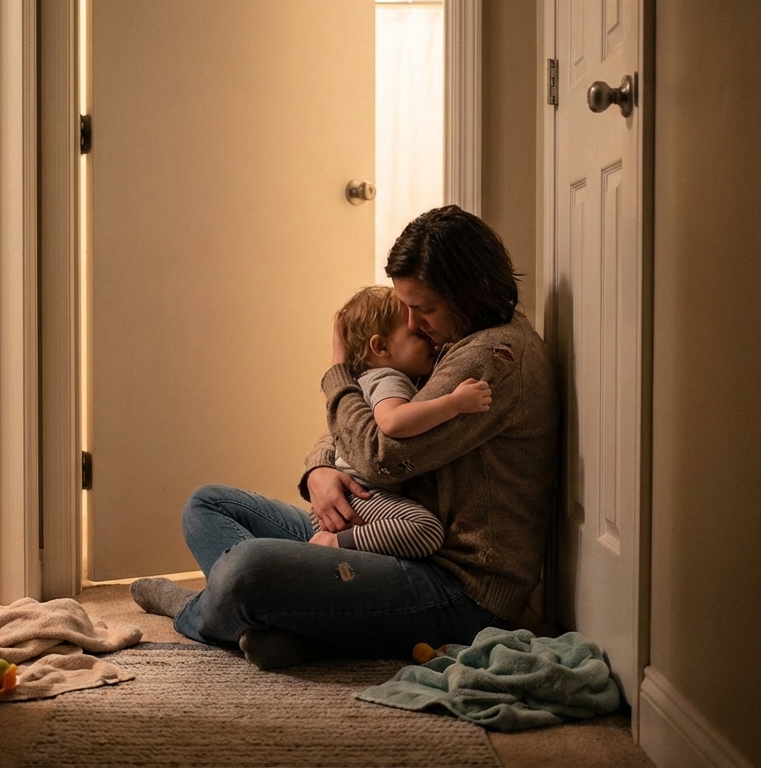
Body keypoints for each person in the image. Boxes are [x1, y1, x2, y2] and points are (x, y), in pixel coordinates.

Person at [131, 205, 558, 670]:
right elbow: (365, 425)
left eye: (424, 309)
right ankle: (288, 632)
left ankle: (195, 609)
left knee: (247, 568)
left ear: (471, 289)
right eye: (408, 309)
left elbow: (378, 454)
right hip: (377, 529)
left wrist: (339, 373)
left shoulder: (490, 358)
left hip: (454, 583)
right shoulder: (453, 337)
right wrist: (320, 469)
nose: (414, 324)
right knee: (207, 504)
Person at [311, 284, 492, 559]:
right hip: (359, 495)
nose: (432, 341)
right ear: (381, 346)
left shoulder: (370, 380)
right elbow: (393, 422)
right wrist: (455, 403)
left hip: (352, 496)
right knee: (426, 530)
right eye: (418, 336)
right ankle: (334, 544)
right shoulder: (388, 379)